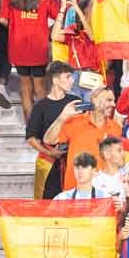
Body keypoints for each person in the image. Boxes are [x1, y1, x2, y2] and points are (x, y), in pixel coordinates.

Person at [0, 0, 59, 119]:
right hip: (39, 47)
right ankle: (44, 126)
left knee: (25, 87)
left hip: (18, 47)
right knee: (40, 88)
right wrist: (48, 30)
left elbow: (3, 19)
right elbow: (59, 15)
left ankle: (30, 129)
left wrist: (15, 26)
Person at [25, 61, 81, 199]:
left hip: (73, 160)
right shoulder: (41, 106)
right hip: (49, 163)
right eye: (68, 77)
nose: (72, 80)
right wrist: (50, 152)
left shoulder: (75, 101)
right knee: (47, 203)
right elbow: (31, 137)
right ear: (56, 80)